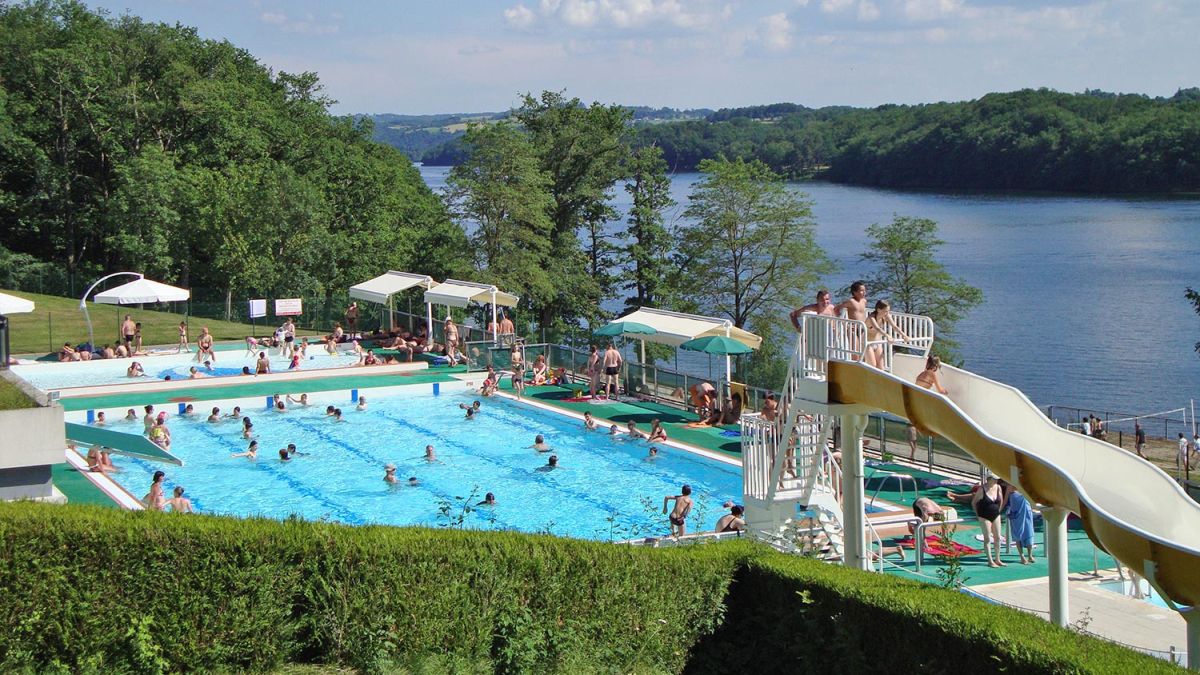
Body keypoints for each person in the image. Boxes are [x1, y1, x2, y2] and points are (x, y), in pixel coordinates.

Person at [864, 300, 911, 369]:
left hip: (877, 342)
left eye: (888, 311)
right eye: (885, 311)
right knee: (872, 366)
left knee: (881, 367)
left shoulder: (886, 316)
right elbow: (877, 328)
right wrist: (887, 336)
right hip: (867, 343)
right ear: (879, 310)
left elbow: (895, 326)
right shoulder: (871, 318)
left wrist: (904, 335)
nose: (887, 313)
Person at [972, 475, 1006, 567]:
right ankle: (990, 561)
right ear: (989, 479)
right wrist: (977, 514)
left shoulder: (998, 487)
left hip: (995, 514)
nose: (996, 481)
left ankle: (997, 559)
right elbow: (974, 502)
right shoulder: (982, 489)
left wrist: (998, 511)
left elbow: (1001, 501)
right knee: (987, 538)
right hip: (984, 515)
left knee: (998, 537)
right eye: (995, 479)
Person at [1005, 487, 1036, 564]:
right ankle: (1022, 556)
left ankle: (1030, 555)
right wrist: (999, 510)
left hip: (1027, 512)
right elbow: (1005, 500)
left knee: (1029, 533)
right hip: (1016, 514)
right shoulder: (1010, 487)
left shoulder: (1025, 485)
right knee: (1018, 534)